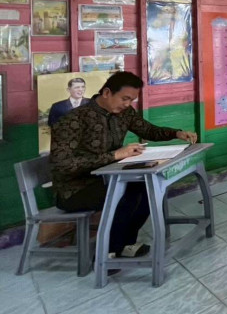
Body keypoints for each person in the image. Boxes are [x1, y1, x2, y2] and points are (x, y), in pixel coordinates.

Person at [49, 71, 197, 261]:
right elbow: (62, 164)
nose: (127, 104)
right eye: (124, 98)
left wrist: (176, 133)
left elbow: (148, 130)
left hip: (110, 179)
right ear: (107, 93)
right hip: (74, 189)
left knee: (148, 189)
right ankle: (107, 254)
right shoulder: (73, 119)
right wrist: (115, 155)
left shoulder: (124, 113)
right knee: (126, 194)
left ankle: (123, 245)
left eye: (132, 100)